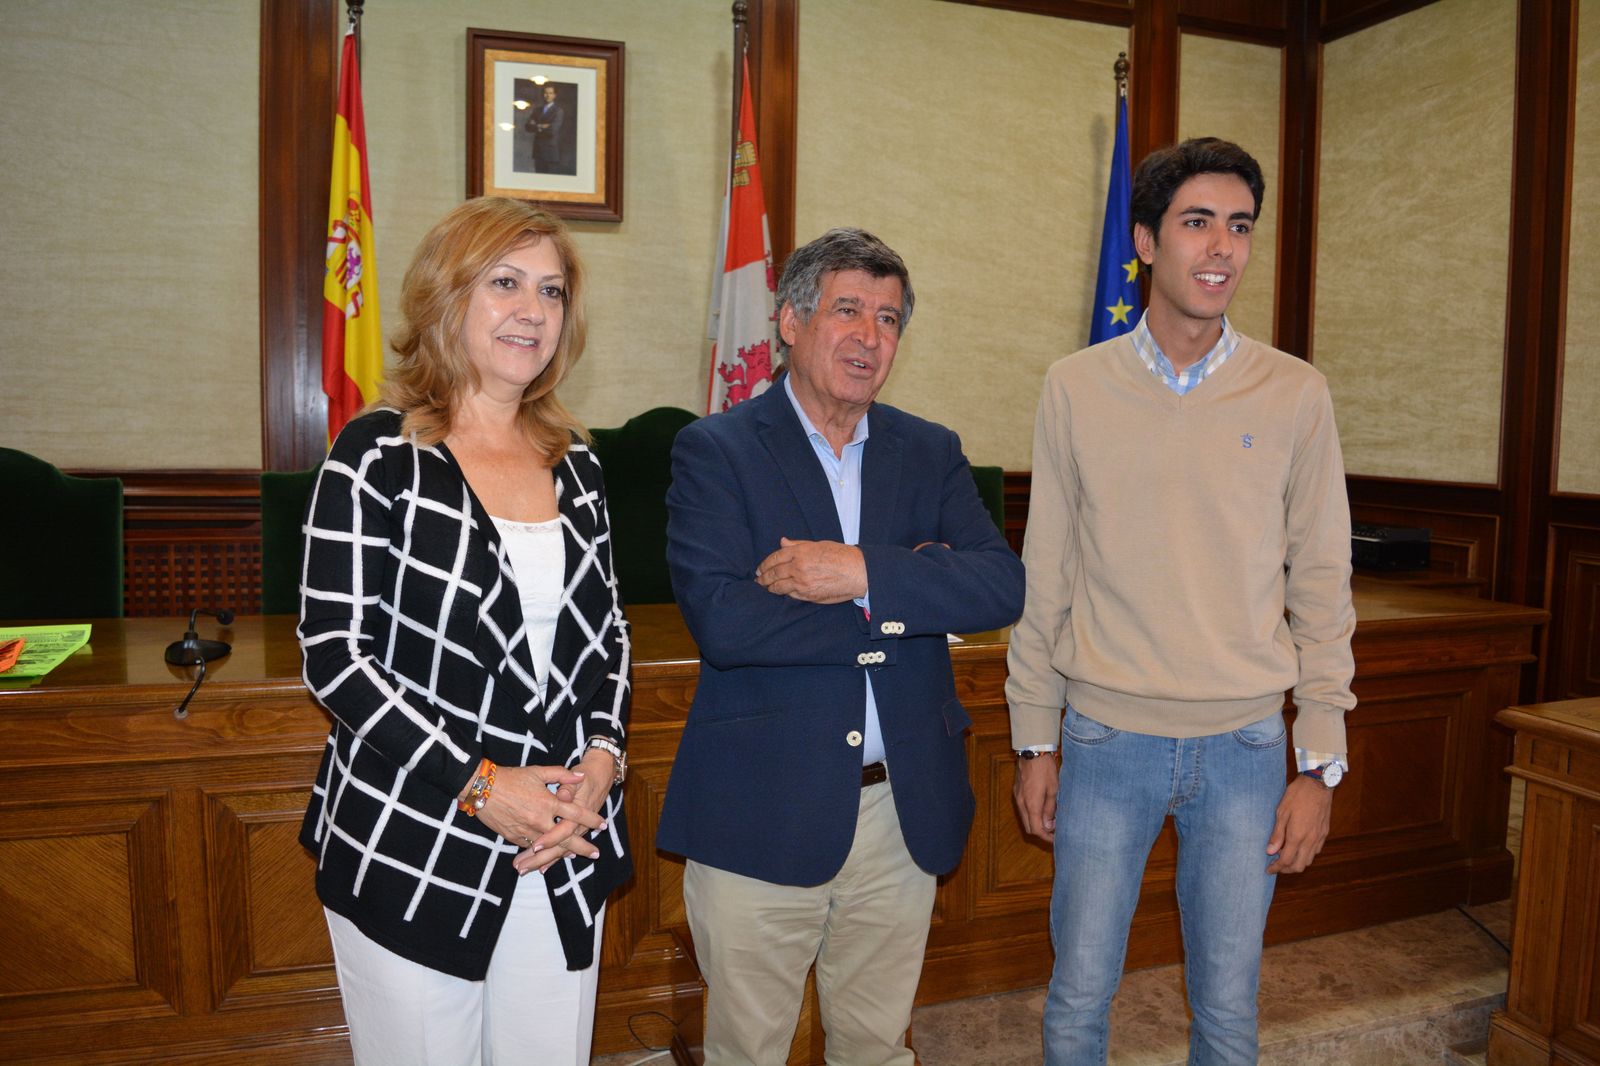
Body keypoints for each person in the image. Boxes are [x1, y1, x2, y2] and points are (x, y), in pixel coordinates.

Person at [1007, 138, 1356, 1064]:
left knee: (1229, 1011)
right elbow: (1049, 572)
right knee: (1079, 998)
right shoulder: (1074, 387)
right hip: (1103, 742)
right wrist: (1035, 738)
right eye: (1197, 222)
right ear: (1146, 241)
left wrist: (1318, 763)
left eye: (1239, 226)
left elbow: (1322, 583)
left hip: (1245, 749)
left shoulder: (1296, 393)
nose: (1221, 247)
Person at [659, 227, 1026, 1065]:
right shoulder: (715, 450)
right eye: (848, 311)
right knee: (748, 1049)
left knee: (875, 1046)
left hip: (900, 811)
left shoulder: (928, 451)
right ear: (790, 320)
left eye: (890, 320)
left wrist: (858, 572)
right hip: (762, 806)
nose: (870, 337)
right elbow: (728, 622)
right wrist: (907, 597)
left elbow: (1000, 588)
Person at [297, 196, 631, 1065]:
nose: (533, 311)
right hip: (415, 834)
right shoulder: (377, 454)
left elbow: (610, 641)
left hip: (560, 837)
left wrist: (603, 761)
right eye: (506, 283)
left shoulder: (579, 464)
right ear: (449, 299)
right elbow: (337, 658)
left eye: (552, 292)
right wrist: (482, 787)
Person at [526, 84, 566, 174]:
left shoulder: (558, 111)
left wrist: (536, 126)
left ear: (554, 95)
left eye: (550, 93)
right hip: (538, 151)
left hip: (550, 153)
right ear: (542, 94)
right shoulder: (537, 110)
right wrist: (542, 126)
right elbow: (528, 127)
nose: (548, 95)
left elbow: (552, 130)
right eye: (545, 93)